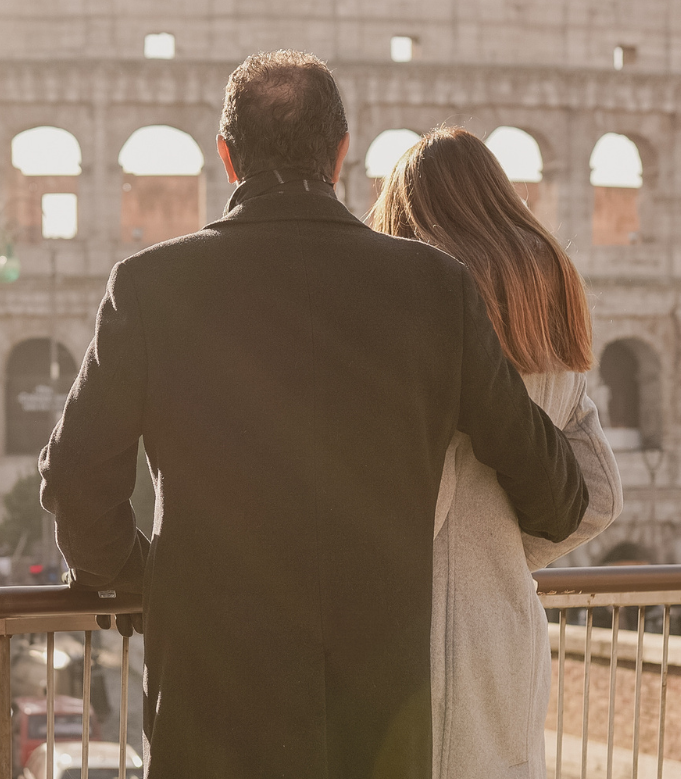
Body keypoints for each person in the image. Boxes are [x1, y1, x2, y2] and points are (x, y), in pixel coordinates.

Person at [41, 51, 587, 775]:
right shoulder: (435, 291)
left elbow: (76, 477)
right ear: (341, 153)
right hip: (377, 722)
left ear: (227, 157)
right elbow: (557, 499)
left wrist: (147, 581)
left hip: (212, 709)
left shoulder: (151, 285)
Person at [366, 126, 621, 778]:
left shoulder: (414, 316)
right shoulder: (549, 318)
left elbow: (424, 505)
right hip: (506, 625)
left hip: (411, 642)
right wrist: (501, 550)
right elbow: (599, 497)